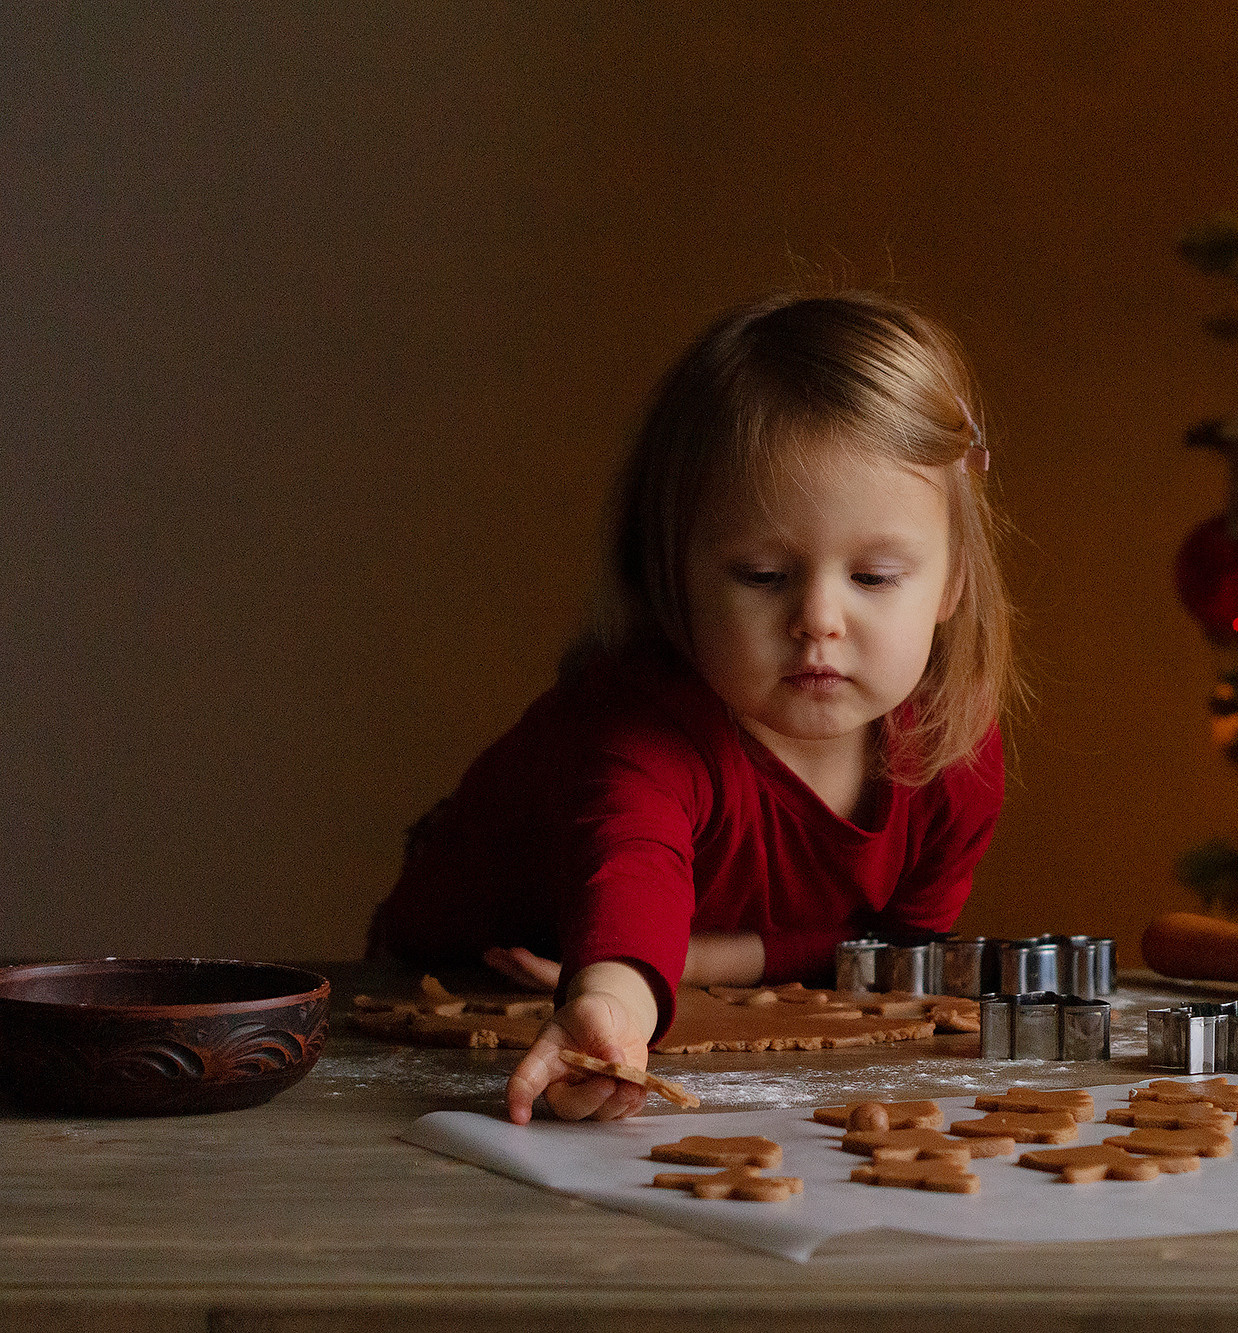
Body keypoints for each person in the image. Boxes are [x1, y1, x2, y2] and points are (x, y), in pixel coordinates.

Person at [367, 291, 1020, 1124]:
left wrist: (708, 957)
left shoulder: (952, 753)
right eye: (762, 575)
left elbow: (890, 955)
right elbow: (629, 879)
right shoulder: (646, 732)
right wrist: (611, 1005)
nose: (819, 618)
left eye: (873, 577)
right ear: (670, 574)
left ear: (952, 580)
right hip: (463, 978)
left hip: (684, 980)